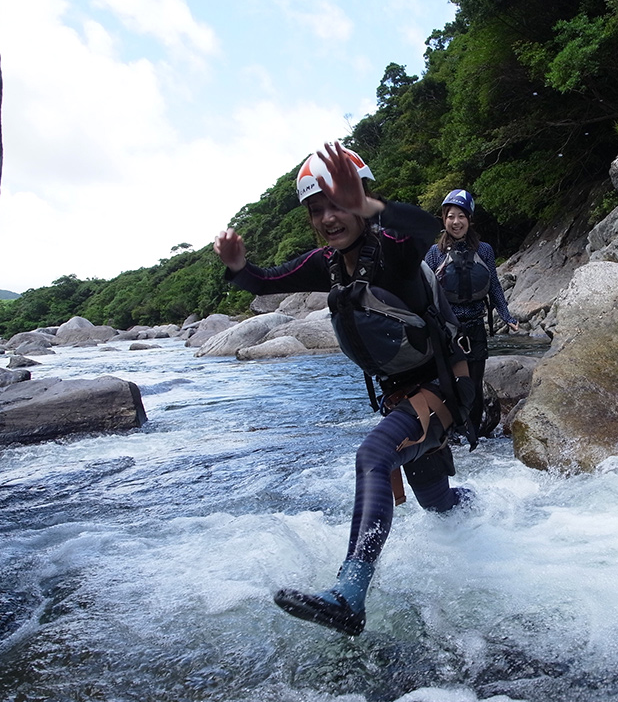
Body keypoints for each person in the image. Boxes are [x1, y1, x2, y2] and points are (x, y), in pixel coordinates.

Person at [213, 142, 475, 636]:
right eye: (318, 209)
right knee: (437, 502)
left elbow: (424, 227)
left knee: (373, 455)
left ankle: (351, 593)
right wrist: (237, 265)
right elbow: (264, 281)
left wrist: (369, 206)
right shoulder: (328, 263)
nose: (329, 218)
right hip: (403, 398)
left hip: (441, 388)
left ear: (360, 200)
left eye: (339, 204)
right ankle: (487, 507)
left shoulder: (393, 252)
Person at [425, 190, 518, 436]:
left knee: (474, 386)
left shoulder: (484, 250)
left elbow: (494, 285)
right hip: (446, 330)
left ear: (469, 219)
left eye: (461, 217)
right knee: (448, 384)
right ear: (444, 220)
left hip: (475, 327)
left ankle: (473, 434)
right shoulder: (435, 253)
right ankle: (451, 433)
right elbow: (423, 291)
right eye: (450, 217)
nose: (456, 222)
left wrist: (506, 316)